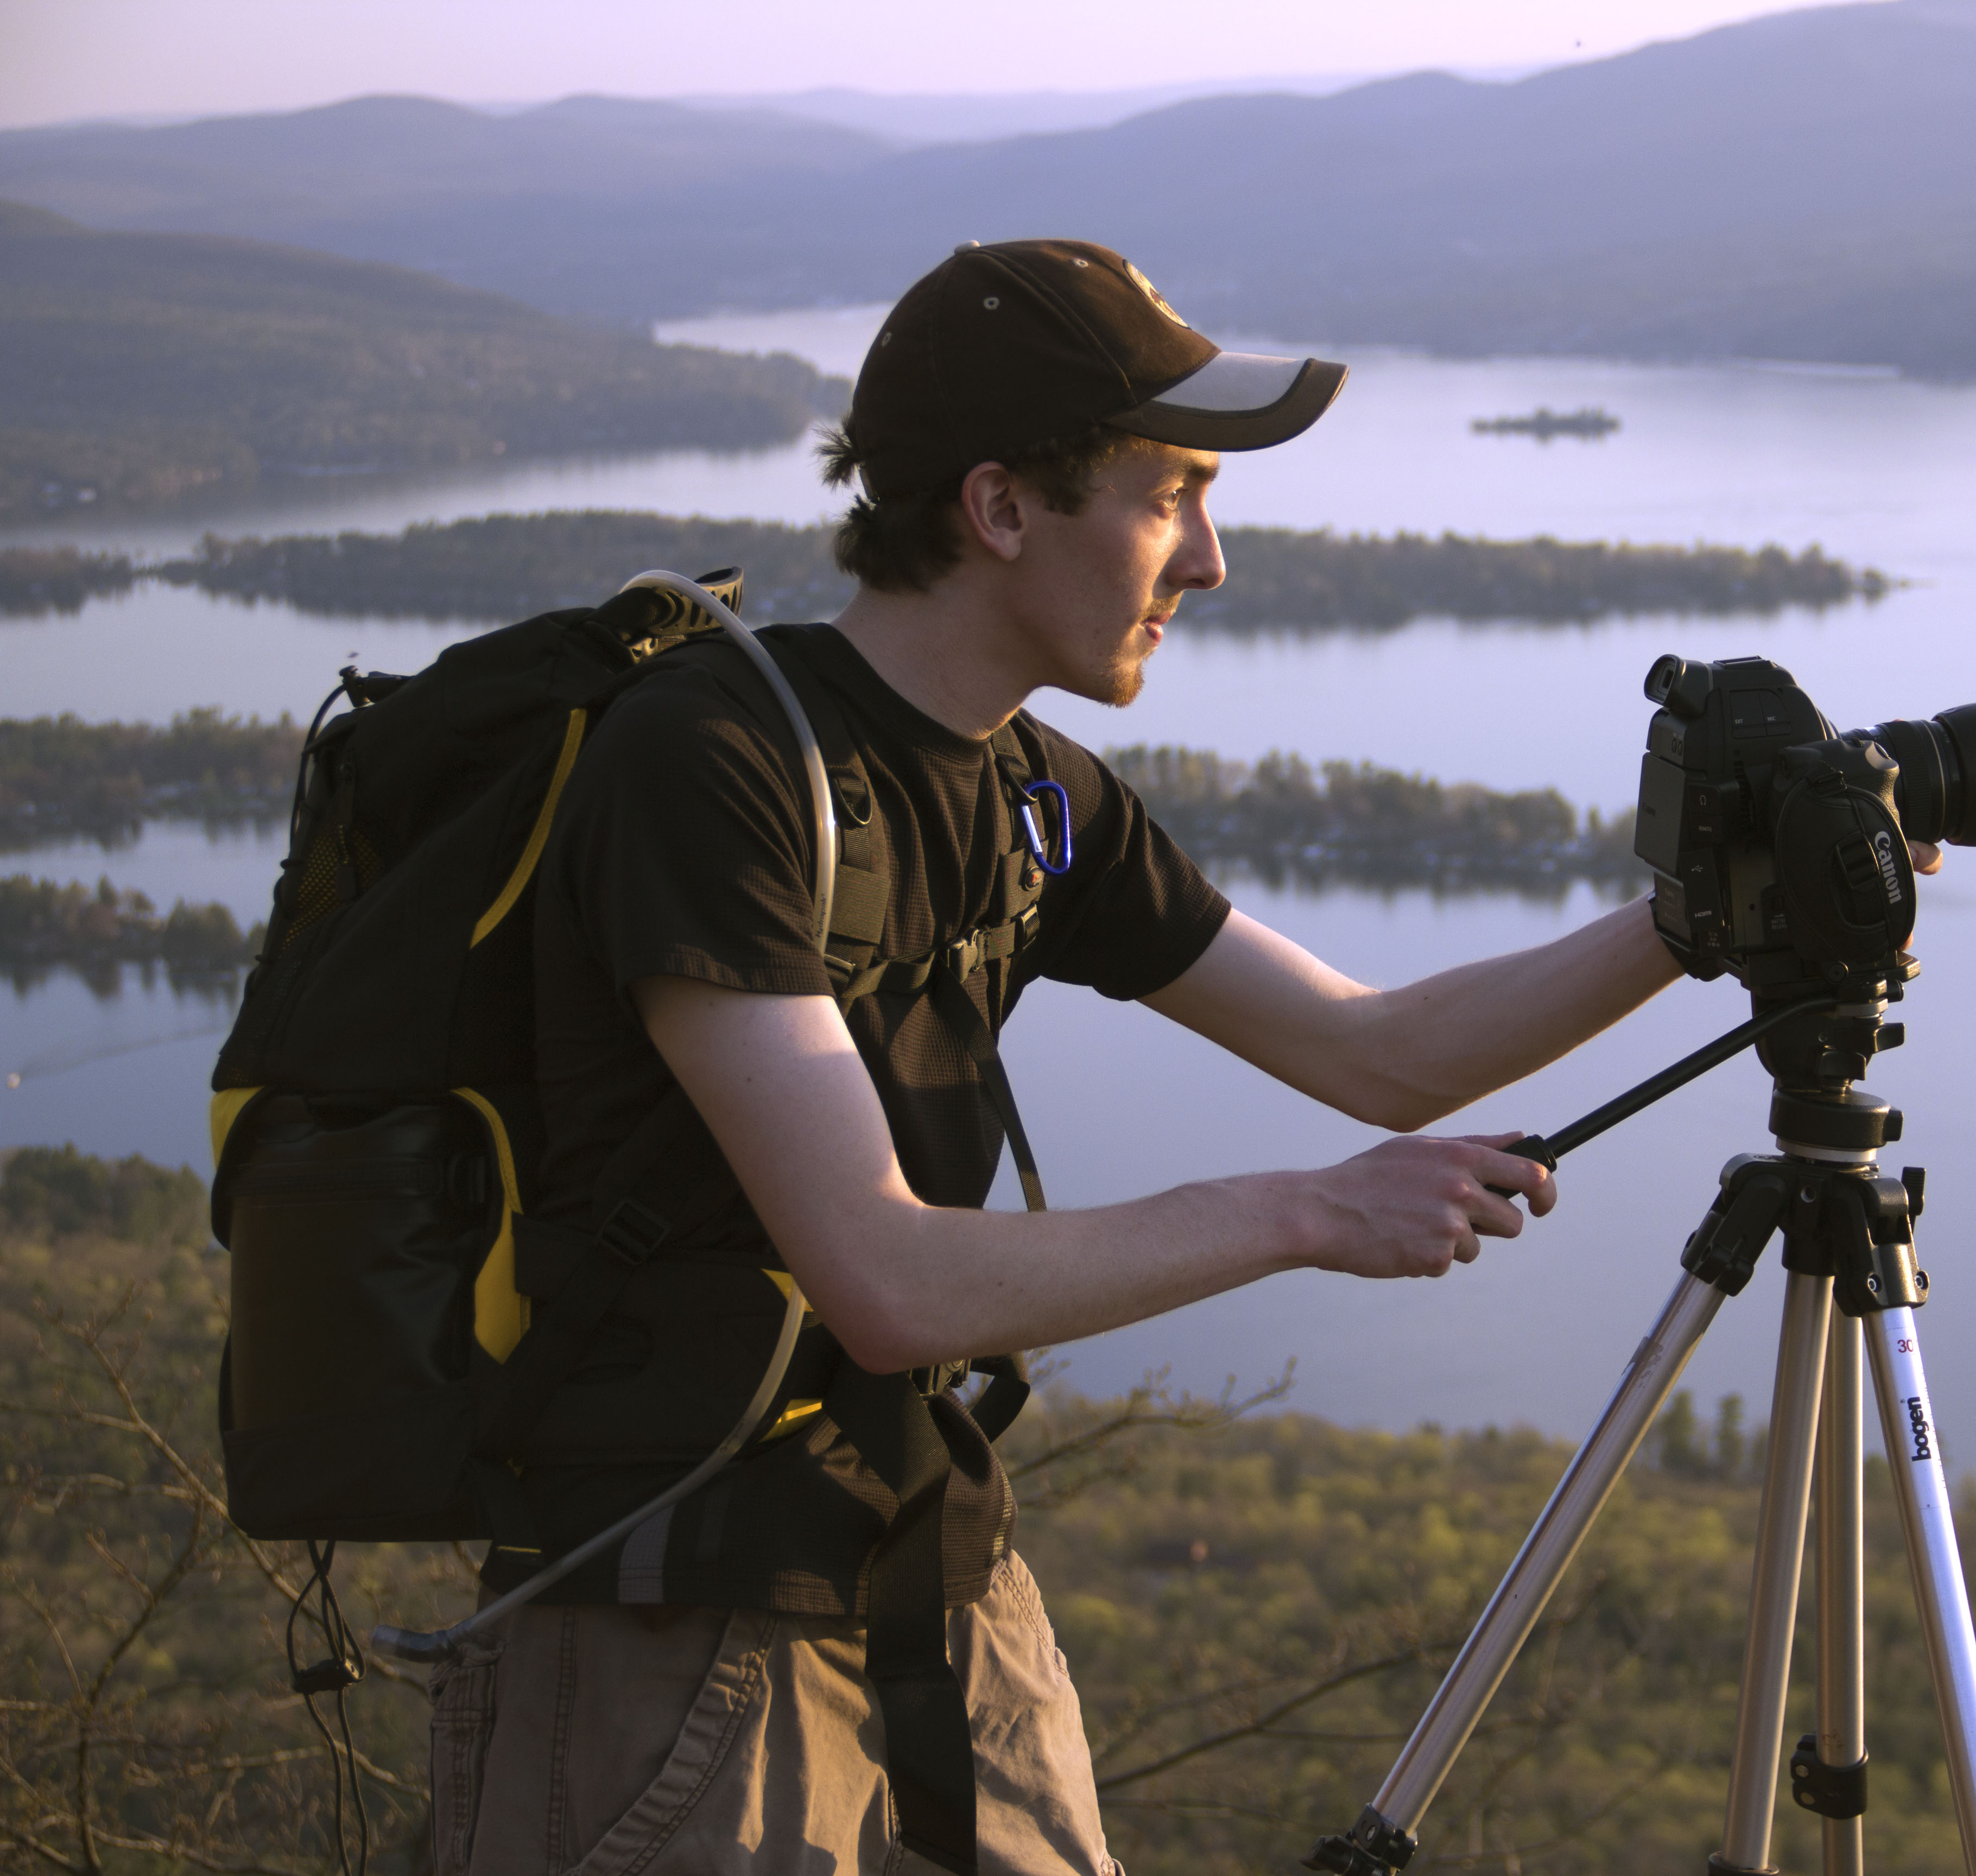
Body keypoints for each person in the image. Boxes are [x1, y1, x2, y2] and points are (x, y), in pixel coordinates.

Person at [424, 237, 1721, 1876]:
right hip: (673, 1631)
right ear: (1003, 509)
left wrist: (1695, 925)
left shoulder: (1036, 795)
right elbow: (884, 1277)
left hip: (934, 1572)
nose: (1211, 561)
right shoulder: (715, 763)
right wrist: (1309, 1216)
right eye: (1171, 495)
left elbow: (1380, 1053)